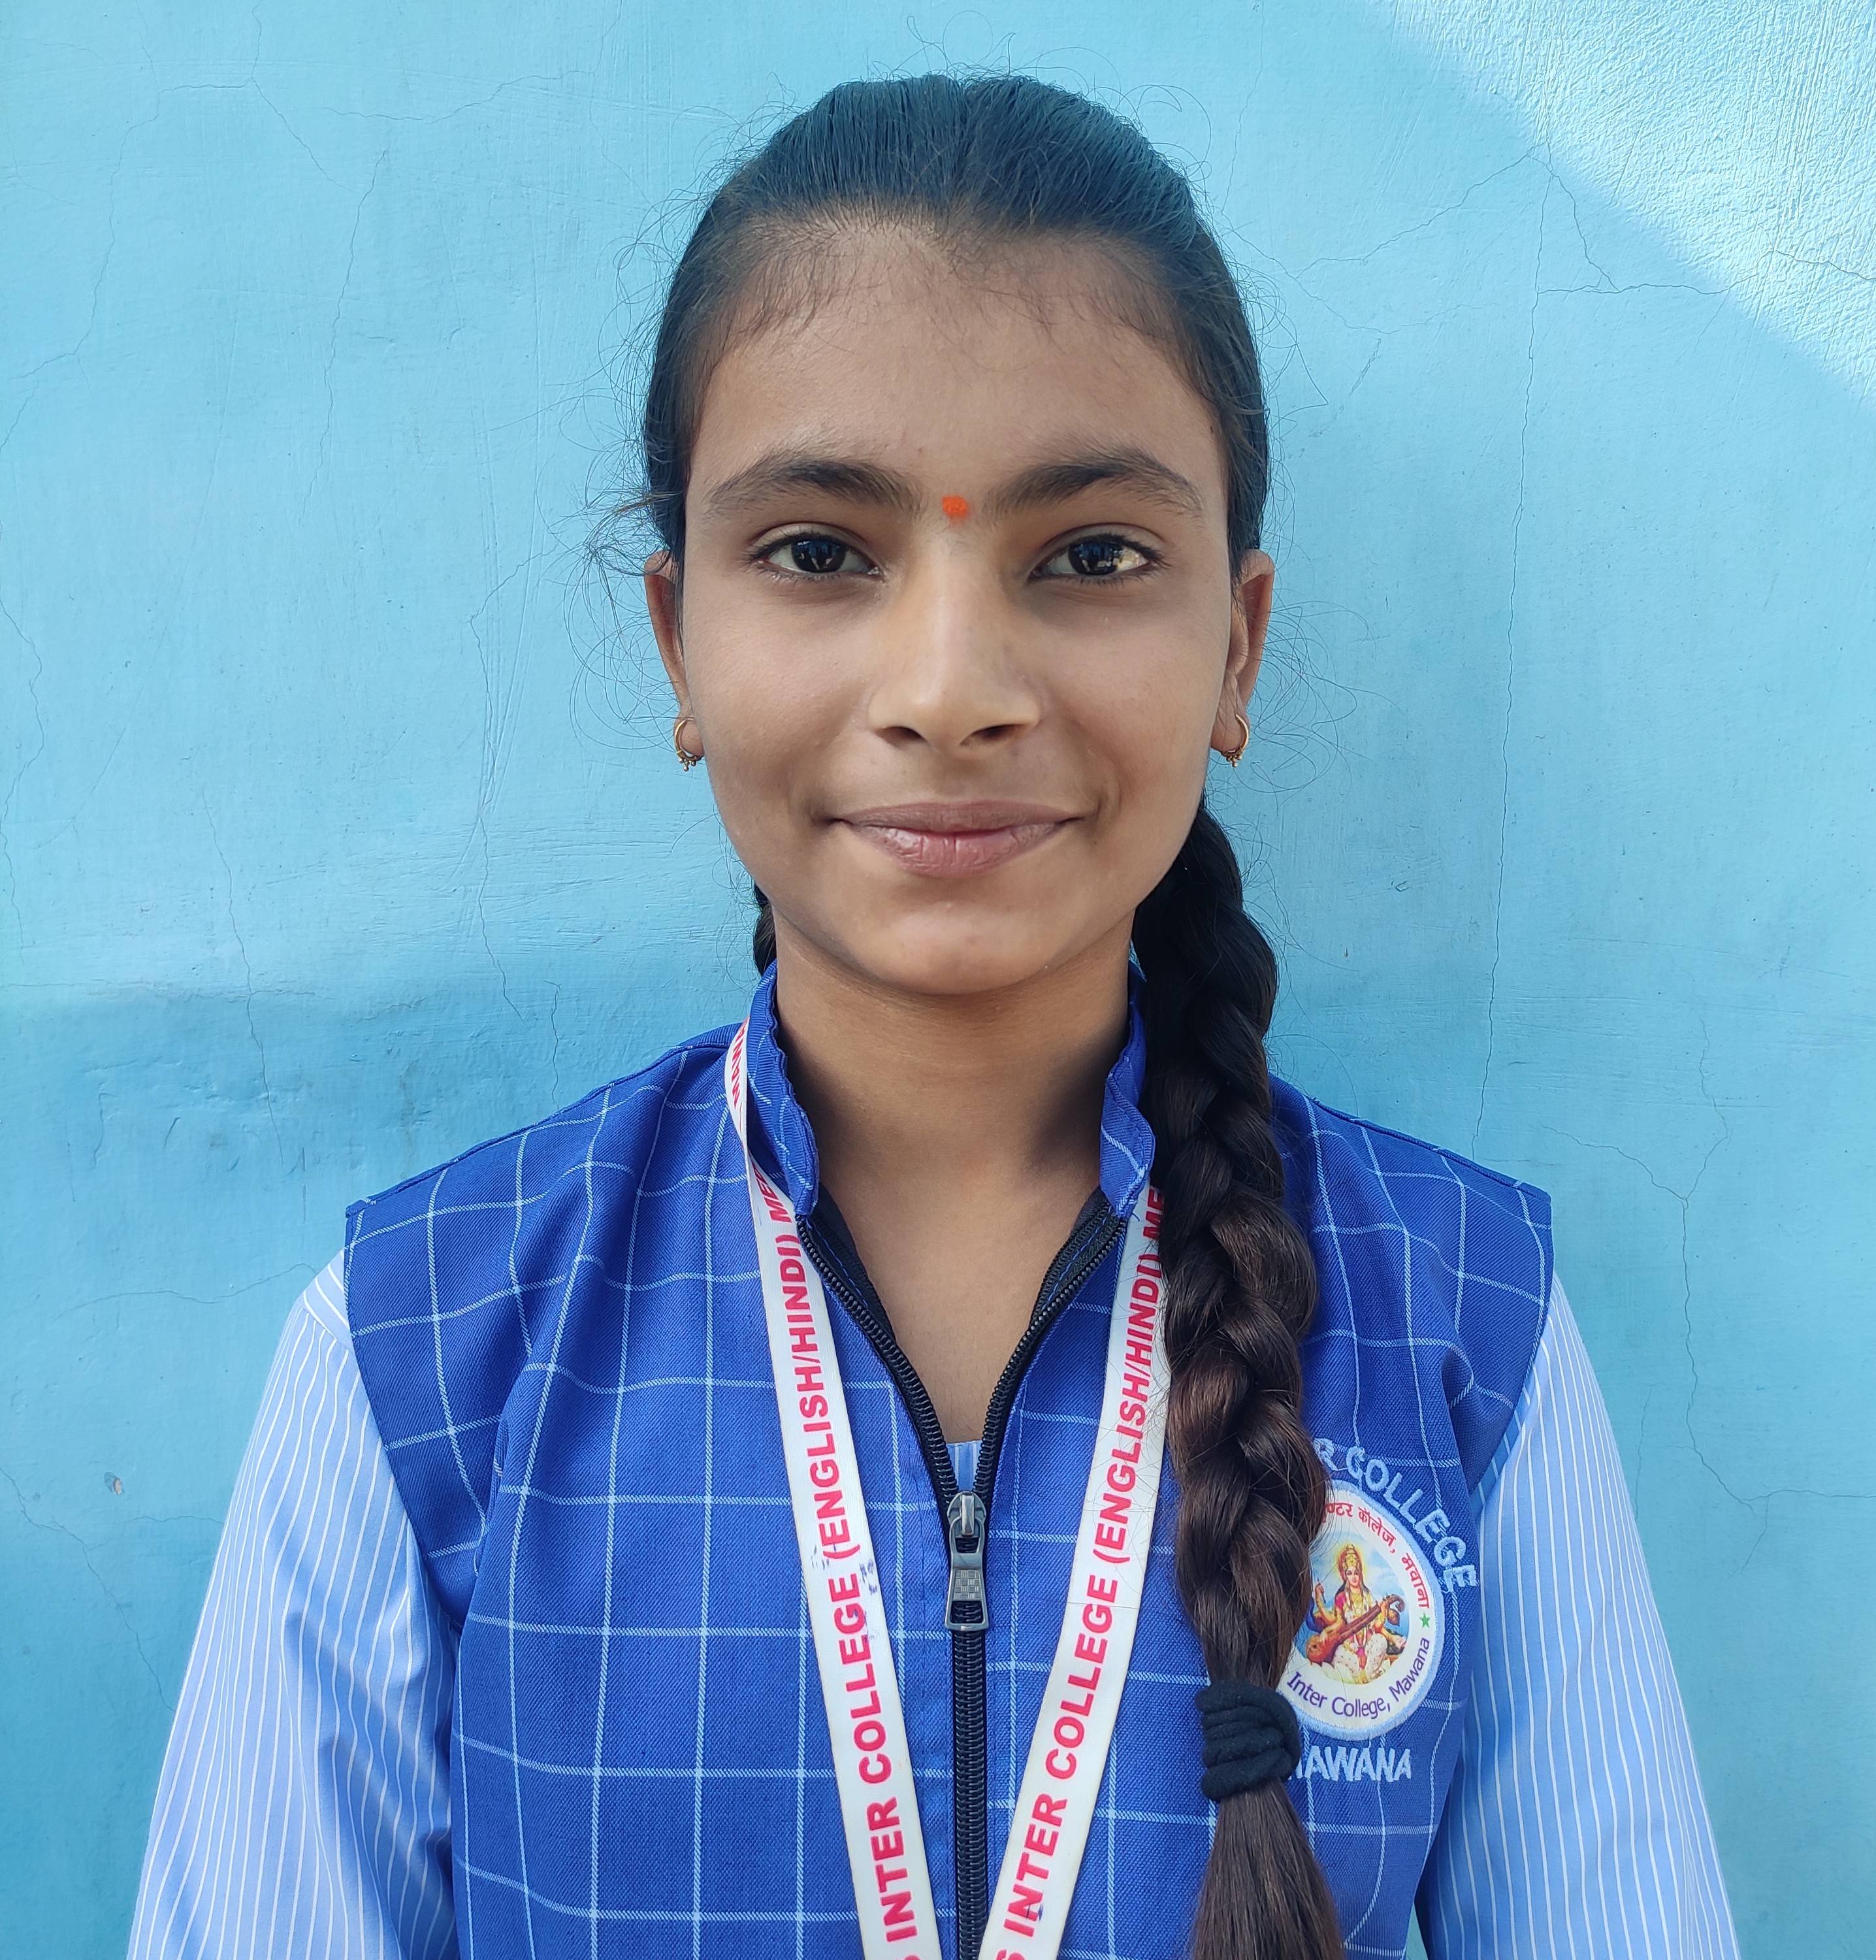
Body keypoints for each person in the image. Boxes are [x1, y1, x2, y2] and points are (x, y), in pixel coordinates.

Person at [127, 73, 1739, 1960]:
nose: (954, 687)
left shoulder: (1461, 1328)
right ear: (678, 642)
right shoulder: (427, 1354)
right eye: (821, 551)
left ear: (1237, 644)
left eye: (1092, 556)